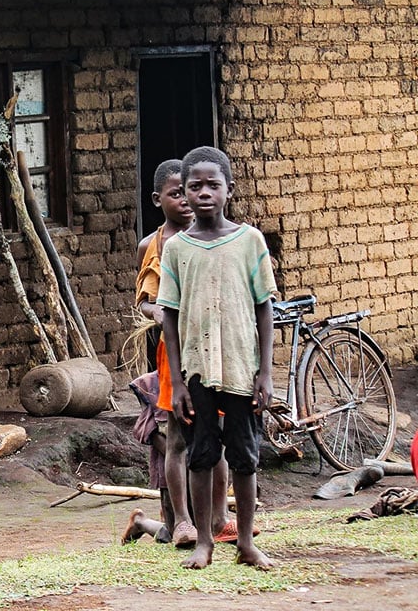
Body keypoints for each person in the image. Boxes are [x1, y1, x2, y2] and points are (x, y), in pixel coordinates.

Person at [158, 146, 276, 570]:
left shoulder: (250, 241)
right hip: (198, 370)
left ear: (229, 189)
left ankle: (245, 541)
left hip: (243, 368)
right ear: (184, 193)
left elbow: (265, 307)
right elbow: (169, 317)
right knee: (202, 453)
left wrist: (266, 371)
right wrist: (175, 380)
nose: (204, 193)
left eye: (213, 185)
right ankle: (204, 541)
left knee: (245, 455)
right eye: (195, 186)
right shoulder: (176, 249)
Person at [127, 160, 233, 548]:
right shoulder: (154, 246)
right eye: (177, 193)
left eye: (189, 190)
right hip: (172, 353)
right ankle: (182, 521)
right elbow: (145, 301)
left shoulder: (212, 236)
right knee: (176, 439)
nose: (188, 200)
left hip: (212, 352)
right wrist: (163, 310)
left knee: (214, 435)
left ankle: (220, 518)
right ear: (160, 200)